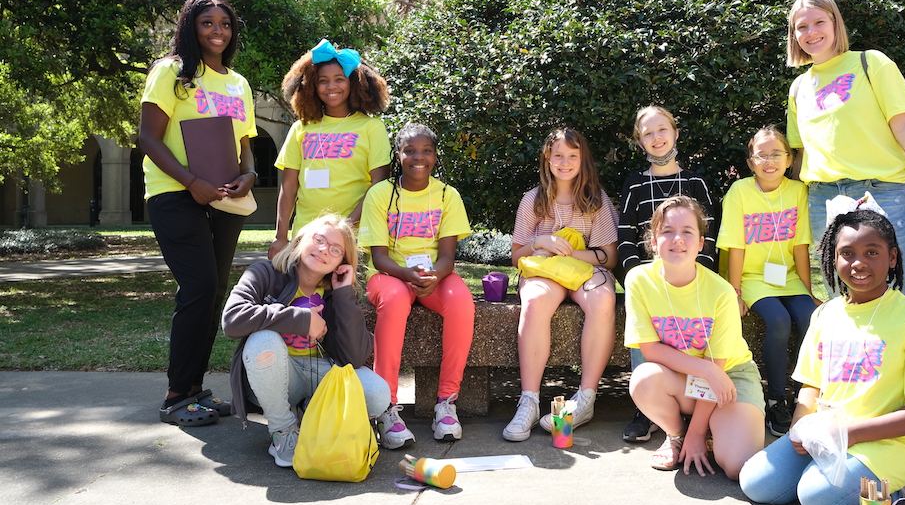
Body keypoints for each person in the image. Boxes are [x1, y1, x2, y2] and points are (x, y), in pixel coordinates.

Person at [739, 208, 905, 505]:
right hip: (829, 434)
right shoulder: (825, 314)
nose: (859, 262)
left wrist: (849, 433)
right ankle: (835, 474)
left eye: (872, 252)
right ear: (833, 259)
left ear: (892, 257)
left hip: (890, 442)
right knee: (757, 483)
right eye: (847, 253)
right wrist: (801, 427)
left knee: (818, 499)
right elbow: (811, 385)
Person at [785, 0, 905, 295]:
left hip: (882, 194)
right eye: (801, 27)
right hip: (822, 200)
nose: (811, 32)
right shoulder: (799, 87)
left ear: (835, 24)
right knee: (841, 298)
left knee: (889, 296)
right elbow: (800, 154)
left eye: (819, 22)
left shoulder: (872, 63)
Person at [138, 0, 257, 427]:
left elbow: (245, 147)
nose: (217, 32)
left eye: (225, 24)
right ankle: (175, 395)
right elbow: (148, 139)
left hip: (226, 199)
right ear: (191, 26)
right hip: (176, 195)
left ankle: (195, 390)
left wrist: (249, 175)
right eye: (207, 23)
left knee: (213, 295)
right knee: (200, 286)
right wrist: (192, 182)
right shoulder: (172, 72)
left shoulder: (238, 83)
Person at [222, 214, 390, 467]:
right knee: (262, 341)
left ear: (342, 263)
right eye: (319, 239)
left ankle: (314, 415)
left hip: (321, 372)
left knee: (377, 395)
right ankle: (283, 431)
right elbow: (233, 320)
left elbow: (355, 357)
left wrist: (344, 294)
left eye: (335, 250)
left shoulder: (336, 293)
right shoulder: (265, 272)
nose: (324, 250)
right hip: (276, 376)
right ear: (301, 239)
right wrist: (300, 319)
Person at [626, 196, 765, 478]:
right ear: (654, 241)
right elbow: (650, 350)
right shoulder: (639, 280)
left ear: (701, 242)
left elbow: (719, 367)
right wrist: (704, 369)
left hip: (730, 377)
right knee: (644, 379)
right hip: (685, 376)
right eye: (667, 231)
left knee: (737, 467)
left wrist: (699, 433)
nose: (677, 239)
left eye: (687, 232)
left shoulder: (722, 292)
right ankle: (677, 433)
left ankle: (709, 428)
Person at [360, 123, 475, 449]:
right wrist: (408, 276)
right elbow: (379, 257)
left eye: (426, 150)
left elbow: (448, 257)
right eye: (410, 150)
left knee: (461, 300)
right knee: (395, 300)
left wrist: (433, 277)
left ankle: (446, 403)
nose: (418, 157)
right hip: (390, 276)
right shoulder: (380, 194)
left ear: (435, 156)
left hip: (432, 275)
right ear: (398, 155)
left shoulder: (446, 195)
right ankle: (388, 408)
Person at [503, 128, 619, 441]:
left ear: (583, 160)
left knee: (603, 299)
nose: (565, 162)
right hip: (545, 272)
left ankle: (585, 399)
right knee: (537, 300)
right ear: (547, 158)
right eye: (558, 155)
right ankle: (528, 400)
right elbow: (516, 256)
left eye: (572, 156)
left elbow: (608, 257)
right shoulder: (533, 200)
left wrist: (570, 250)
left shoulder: (597, 201)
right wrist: (541, 241)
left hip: (584, 271)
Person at [617, 105, 720, 443]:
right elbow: (626, 238)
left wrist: (696, 273)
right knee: (642, 326)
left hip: (691, 279)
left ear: (675, 133)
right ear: (640, 141)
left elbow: (711, 233)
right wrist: (638, 278)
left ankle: (699, 403)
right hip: (649, 281)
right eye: (648, 133)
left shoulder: (696, 181)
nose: (656, 137)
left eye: (662, 129)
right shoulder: (634, 186)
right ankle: (644, 410)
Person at [717, 125, 819, 437]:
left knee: (810, 318)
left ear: (790, 159)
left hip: (788, 277)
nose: (769, 161)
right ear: (750, 162)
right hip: (752, 277)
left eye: (777, 154)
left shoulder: (798, 192)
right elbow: (736, 246)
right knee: (778, 320)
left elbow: (800, 246)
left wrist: (808, 290)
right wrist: (735, 292)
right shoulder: (740, 192)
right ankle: (776, 398)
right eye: (761, 155)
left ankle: (807, 399)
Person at [268, 39, 391, 259]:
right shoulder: (300, 128)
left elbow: (378, 187)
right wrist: (280, 236)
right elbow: (288, 186)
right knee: (305, 294)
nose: (331, 86)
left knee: (346, 293)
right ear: (311, 86)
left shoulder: (371, 127)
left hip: (354, 237)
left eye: (339, 79)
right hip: (306, 236)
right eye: (323, 81)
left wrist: (345, 228)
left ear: (354, 83)